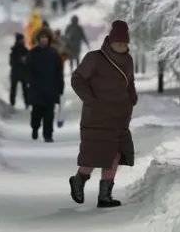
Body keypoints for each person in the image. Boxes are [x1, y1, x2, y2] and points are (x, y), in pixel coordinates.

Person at [68, 20, 138, 208]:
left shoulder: (129, 60)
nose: (122, 47)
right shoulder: (95, 58)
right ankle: (79, 180)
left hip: (120, 117)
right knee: (93, 154)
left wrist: (132, 97)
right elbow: (77, 79)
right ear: (110, 42)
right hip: (97, 115)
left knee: (114, 155)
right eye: (118, 44)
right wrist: (90, 100)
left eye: (125, 44)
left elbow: (129, 82)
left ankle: (105, 196)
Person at [26, 28, 64, 143]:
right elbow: (28, 70)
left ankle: (48, 134)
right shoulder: (33, 53)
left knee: (49, 113)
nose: (43, 40)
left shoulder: (54, 54)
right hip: (37, 88)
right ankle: (35, 128)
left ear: (49, 39)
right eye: (41, 38)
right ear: (38, 39)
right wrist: (30, 81)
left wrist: (60, 86)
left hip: (50, 88)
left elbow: (59, 71)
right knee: (36, 112)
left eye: (45, 38)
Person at [9, 33, 29, 108]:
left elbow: (11, 62)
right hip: (23, 72)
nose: (24, 40)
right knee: (25, 90)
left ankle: (12, 103)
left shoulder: (13, 50)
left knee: (13, 89)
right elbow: (28, 61)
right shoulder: (25, 50)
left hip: (14, 72)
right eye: (23, 39)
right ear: (21, 40)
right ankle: (27, 103)